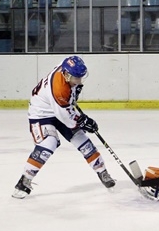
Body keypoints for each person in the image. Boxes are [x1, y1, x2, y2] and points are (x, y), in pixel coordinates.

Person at [12, 56, 115, 199]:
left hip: (59, 108)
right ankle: (24, 180)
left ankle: (102, 172)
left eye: (80, 78)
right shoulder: (59, 89)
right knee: (48, 143)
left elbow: (67, 105)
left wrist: (74, 91)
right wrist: (83, 121)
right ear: (66, 75)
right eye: (75, 78)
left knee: (82, 141)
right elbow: (67, 118)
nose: (79, 81)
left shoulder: (67, 66)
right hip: (42, 113)